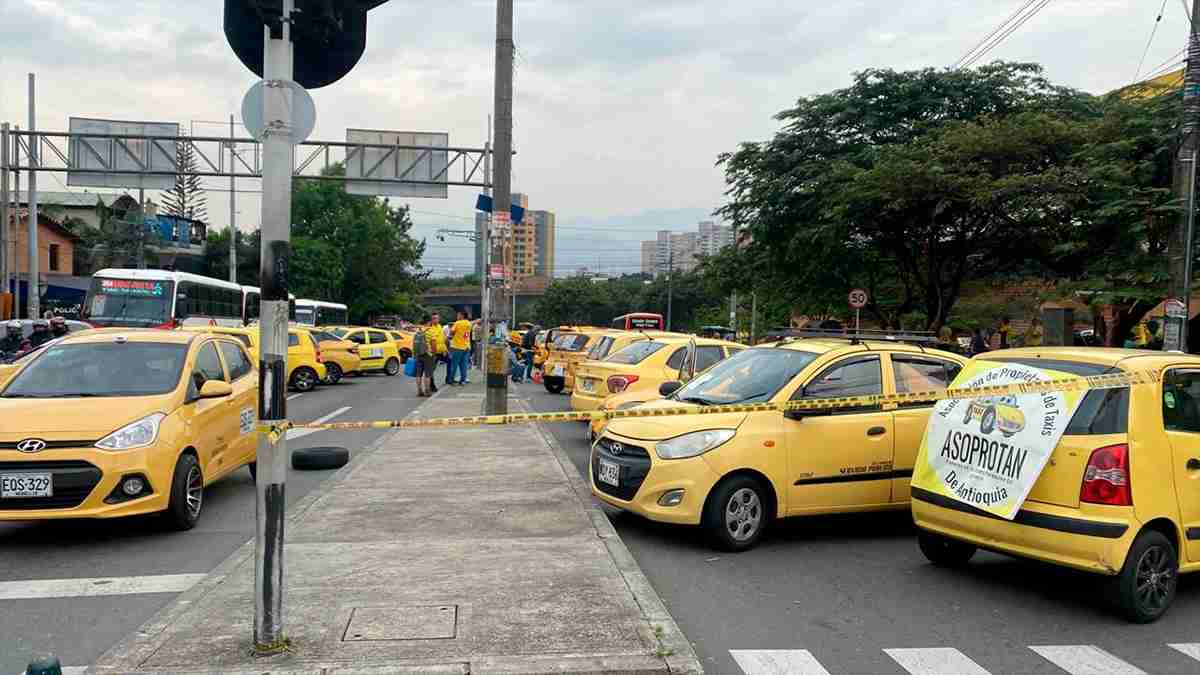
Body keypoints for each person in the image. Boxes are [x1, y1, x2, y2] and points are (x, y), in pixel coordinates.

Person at [424, 312, 447, 393]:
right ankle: (431, 386)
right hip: (433, 352)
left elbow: (442, 339)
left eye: (437, 318)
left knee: (451, 361)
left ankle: (449, 379)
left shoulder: (440, 326)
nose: (435, 320)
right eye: (434, 318)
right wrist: (433, 353)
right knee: (431, 370)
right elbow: (432, 341)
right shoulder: (430, 328)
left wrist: (445, 350)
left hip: (441, 351)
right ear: (431, 319)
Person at [448, 310, 472, 386]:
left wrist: (451, 336)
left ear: (462, 315)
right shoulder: (468, 323)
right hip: (467, 346)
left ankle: (451, 380)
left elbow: (451, 332)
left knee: (454, 365)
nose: (457, 316)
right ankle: (463, 380)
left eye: (458, 315)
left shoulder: (457, 323)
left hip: (457, 347)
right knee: (464, 365)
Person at [412, 315, 432, 397]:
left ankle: (419, 390)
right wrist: (433, 352)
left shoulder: (418, 330)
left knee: (418, 374)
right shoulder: (430, 330)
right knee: (427, 374)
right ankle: (427, 391)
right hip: (427, 354)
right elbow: (433, 342)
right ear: (429, 322)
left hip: (418, 354)